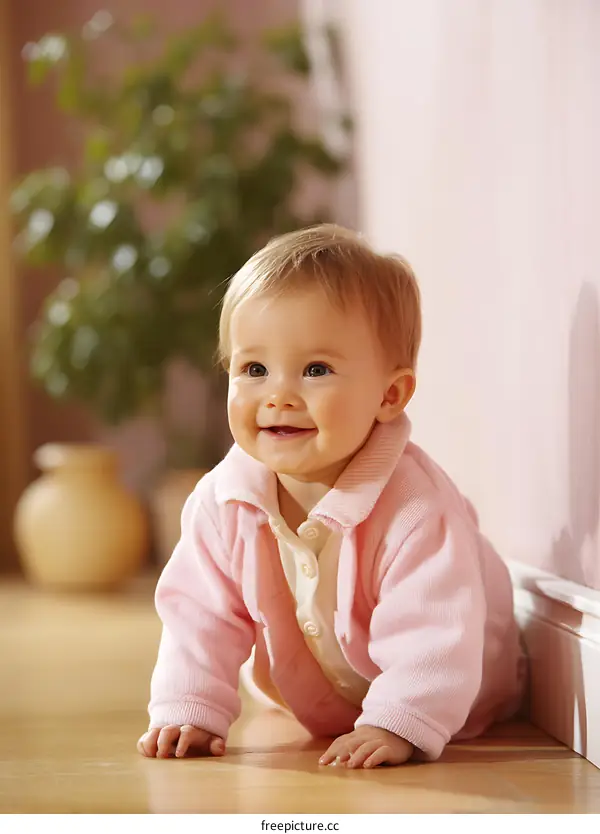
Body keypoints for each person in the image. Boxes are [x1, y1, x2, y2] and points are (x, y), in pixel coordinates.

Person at [137, 224, 525, 769]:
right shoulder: (224, 500)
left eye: (315, 370)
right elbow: (199, 616)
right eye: (253, 369)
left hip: (455, 699)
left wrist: (398, 724)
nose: (277, 396)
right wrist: (190, 708)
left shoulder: (415, 508)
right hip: (318, 695)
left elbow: (435, 632)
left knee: (427, 643)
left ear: (389, 395)